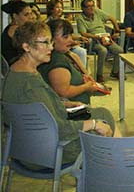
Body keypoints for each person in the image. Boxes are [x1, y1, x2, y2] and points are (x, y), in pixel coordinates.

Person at [4, 21, 119, 169]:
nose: (51, 47)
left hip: (23, 147)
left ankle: (117, 167)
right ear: (26, 47)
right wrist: (95, 124)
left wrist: (65, 104)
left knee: (101, 113)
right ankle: (113, 172)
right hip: (47, 153)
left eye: (50, 42)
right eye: (45, 43)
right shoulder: (31, 84)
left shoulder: (16, 71)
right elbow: (59, 128)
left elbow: (38, 107)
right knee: (104, 122)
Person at [39, 19, 103, 104]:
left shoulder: (64, 54)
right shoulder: (57, 62)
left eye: (70, 36)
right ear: (51, 39)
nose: (71, 40)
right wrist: (86, 87)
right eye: (65, 37)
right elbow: (63, 93)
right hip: (73, 111)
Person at [76, 0, 124, 80]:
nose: (91, 8)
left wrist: (117, 30)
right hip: (93, 40)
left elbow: (112, 18)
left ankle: (115, 72)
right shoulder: (80, 18)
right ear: (83, 9)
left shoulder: (97, 12)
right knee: (103, 50)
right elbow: (83, 33)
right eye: (88, 7)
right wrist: (97, 37)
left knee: (119, 50)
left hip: (105, 37)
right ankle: (99, 75)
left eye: (92, 6)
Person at [45, 0, 89, 67]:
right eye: (57, 7)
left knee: (81, 50)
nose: (60, 9)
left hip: (66, 45)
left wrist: (78, 38)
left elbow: (68, 35)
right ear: (51, 9)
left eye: (61, 7)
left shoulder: (62, 20)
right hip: (57, 47)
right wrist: (72, 43)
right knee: (81, 52)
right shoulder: (48, 23)